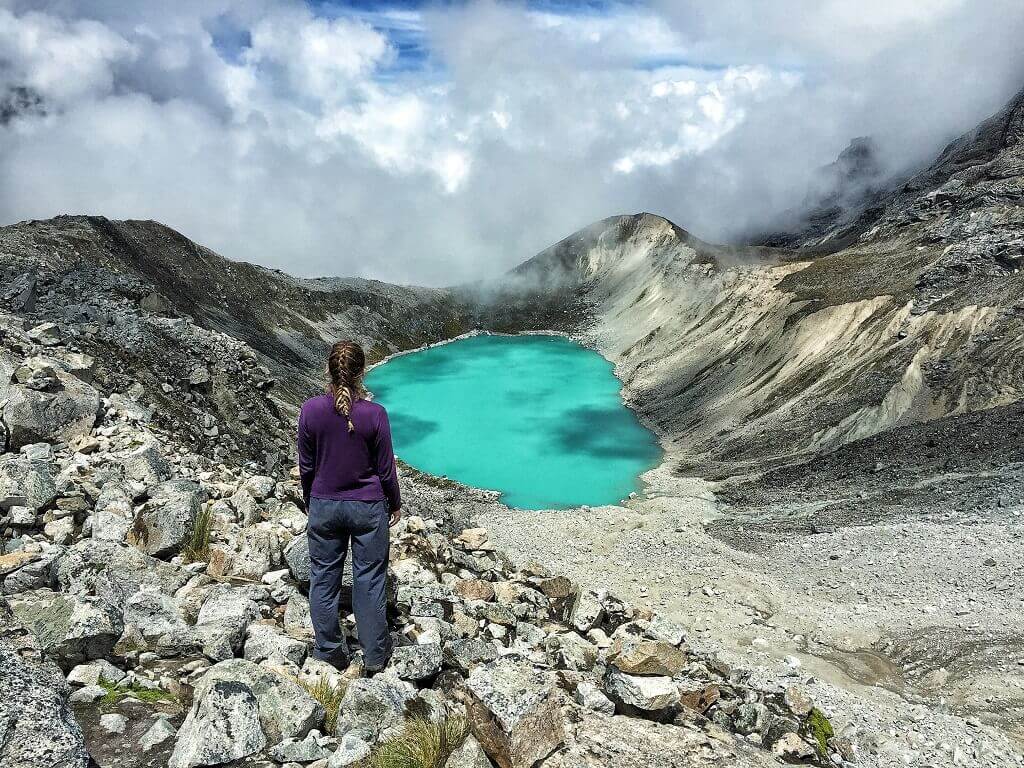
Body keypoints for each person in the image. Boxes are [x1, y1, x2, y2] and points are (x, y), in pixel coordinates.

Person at [297, 340, 401, 672]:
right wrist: (394, 503)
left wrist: (311, 499)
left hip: (324, 504)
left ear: (328, 370)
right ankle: (374, 657)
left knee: (323, 578)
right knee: (369, 579)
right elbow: (385, 469)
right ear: (362, 372)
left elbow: (307, 466)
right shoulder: (376, 415)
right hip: (368, 508)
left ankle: (329, 652)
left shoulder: (310, 410)